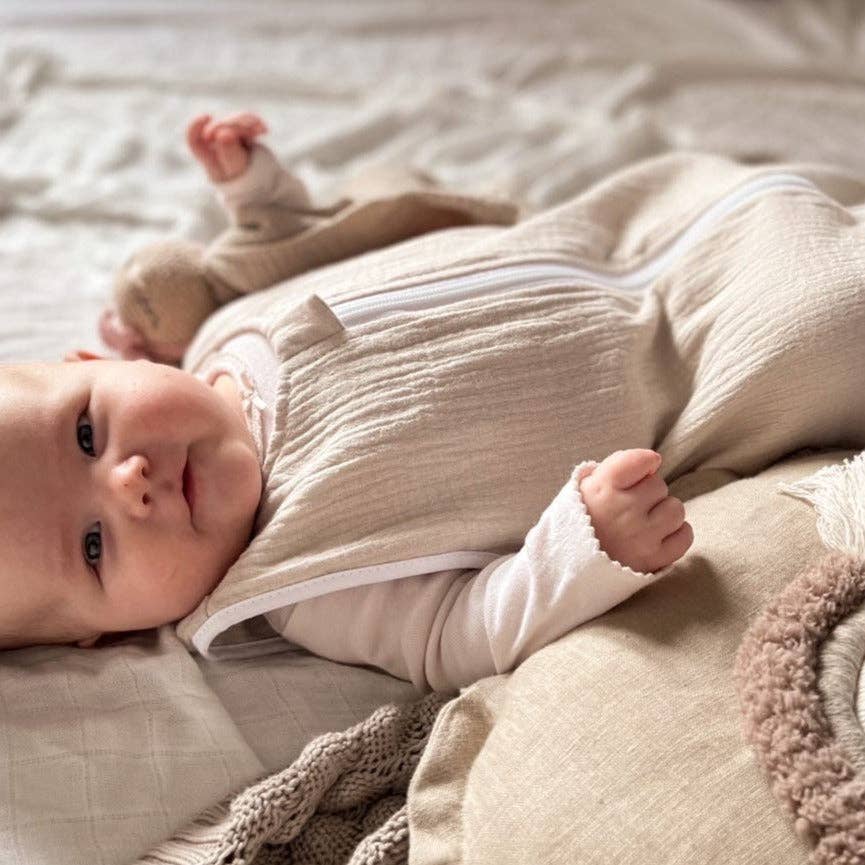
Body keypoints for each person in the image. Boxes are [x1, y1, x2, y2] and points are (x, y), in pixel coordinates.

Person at [6, 109, 864, 693]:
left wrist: (263, 202)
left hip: (642, 226)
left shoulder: (219, 336)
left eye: (84, 432)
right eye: (92, 545)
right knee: (835, 316)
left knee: (777, 186)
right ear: (102, 633)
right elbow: (459, 636)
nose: (129, 483)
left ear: (92, 362)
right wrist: (581, 548)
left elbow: (315, 253)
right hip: (721, 361)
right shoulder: (306, 583)